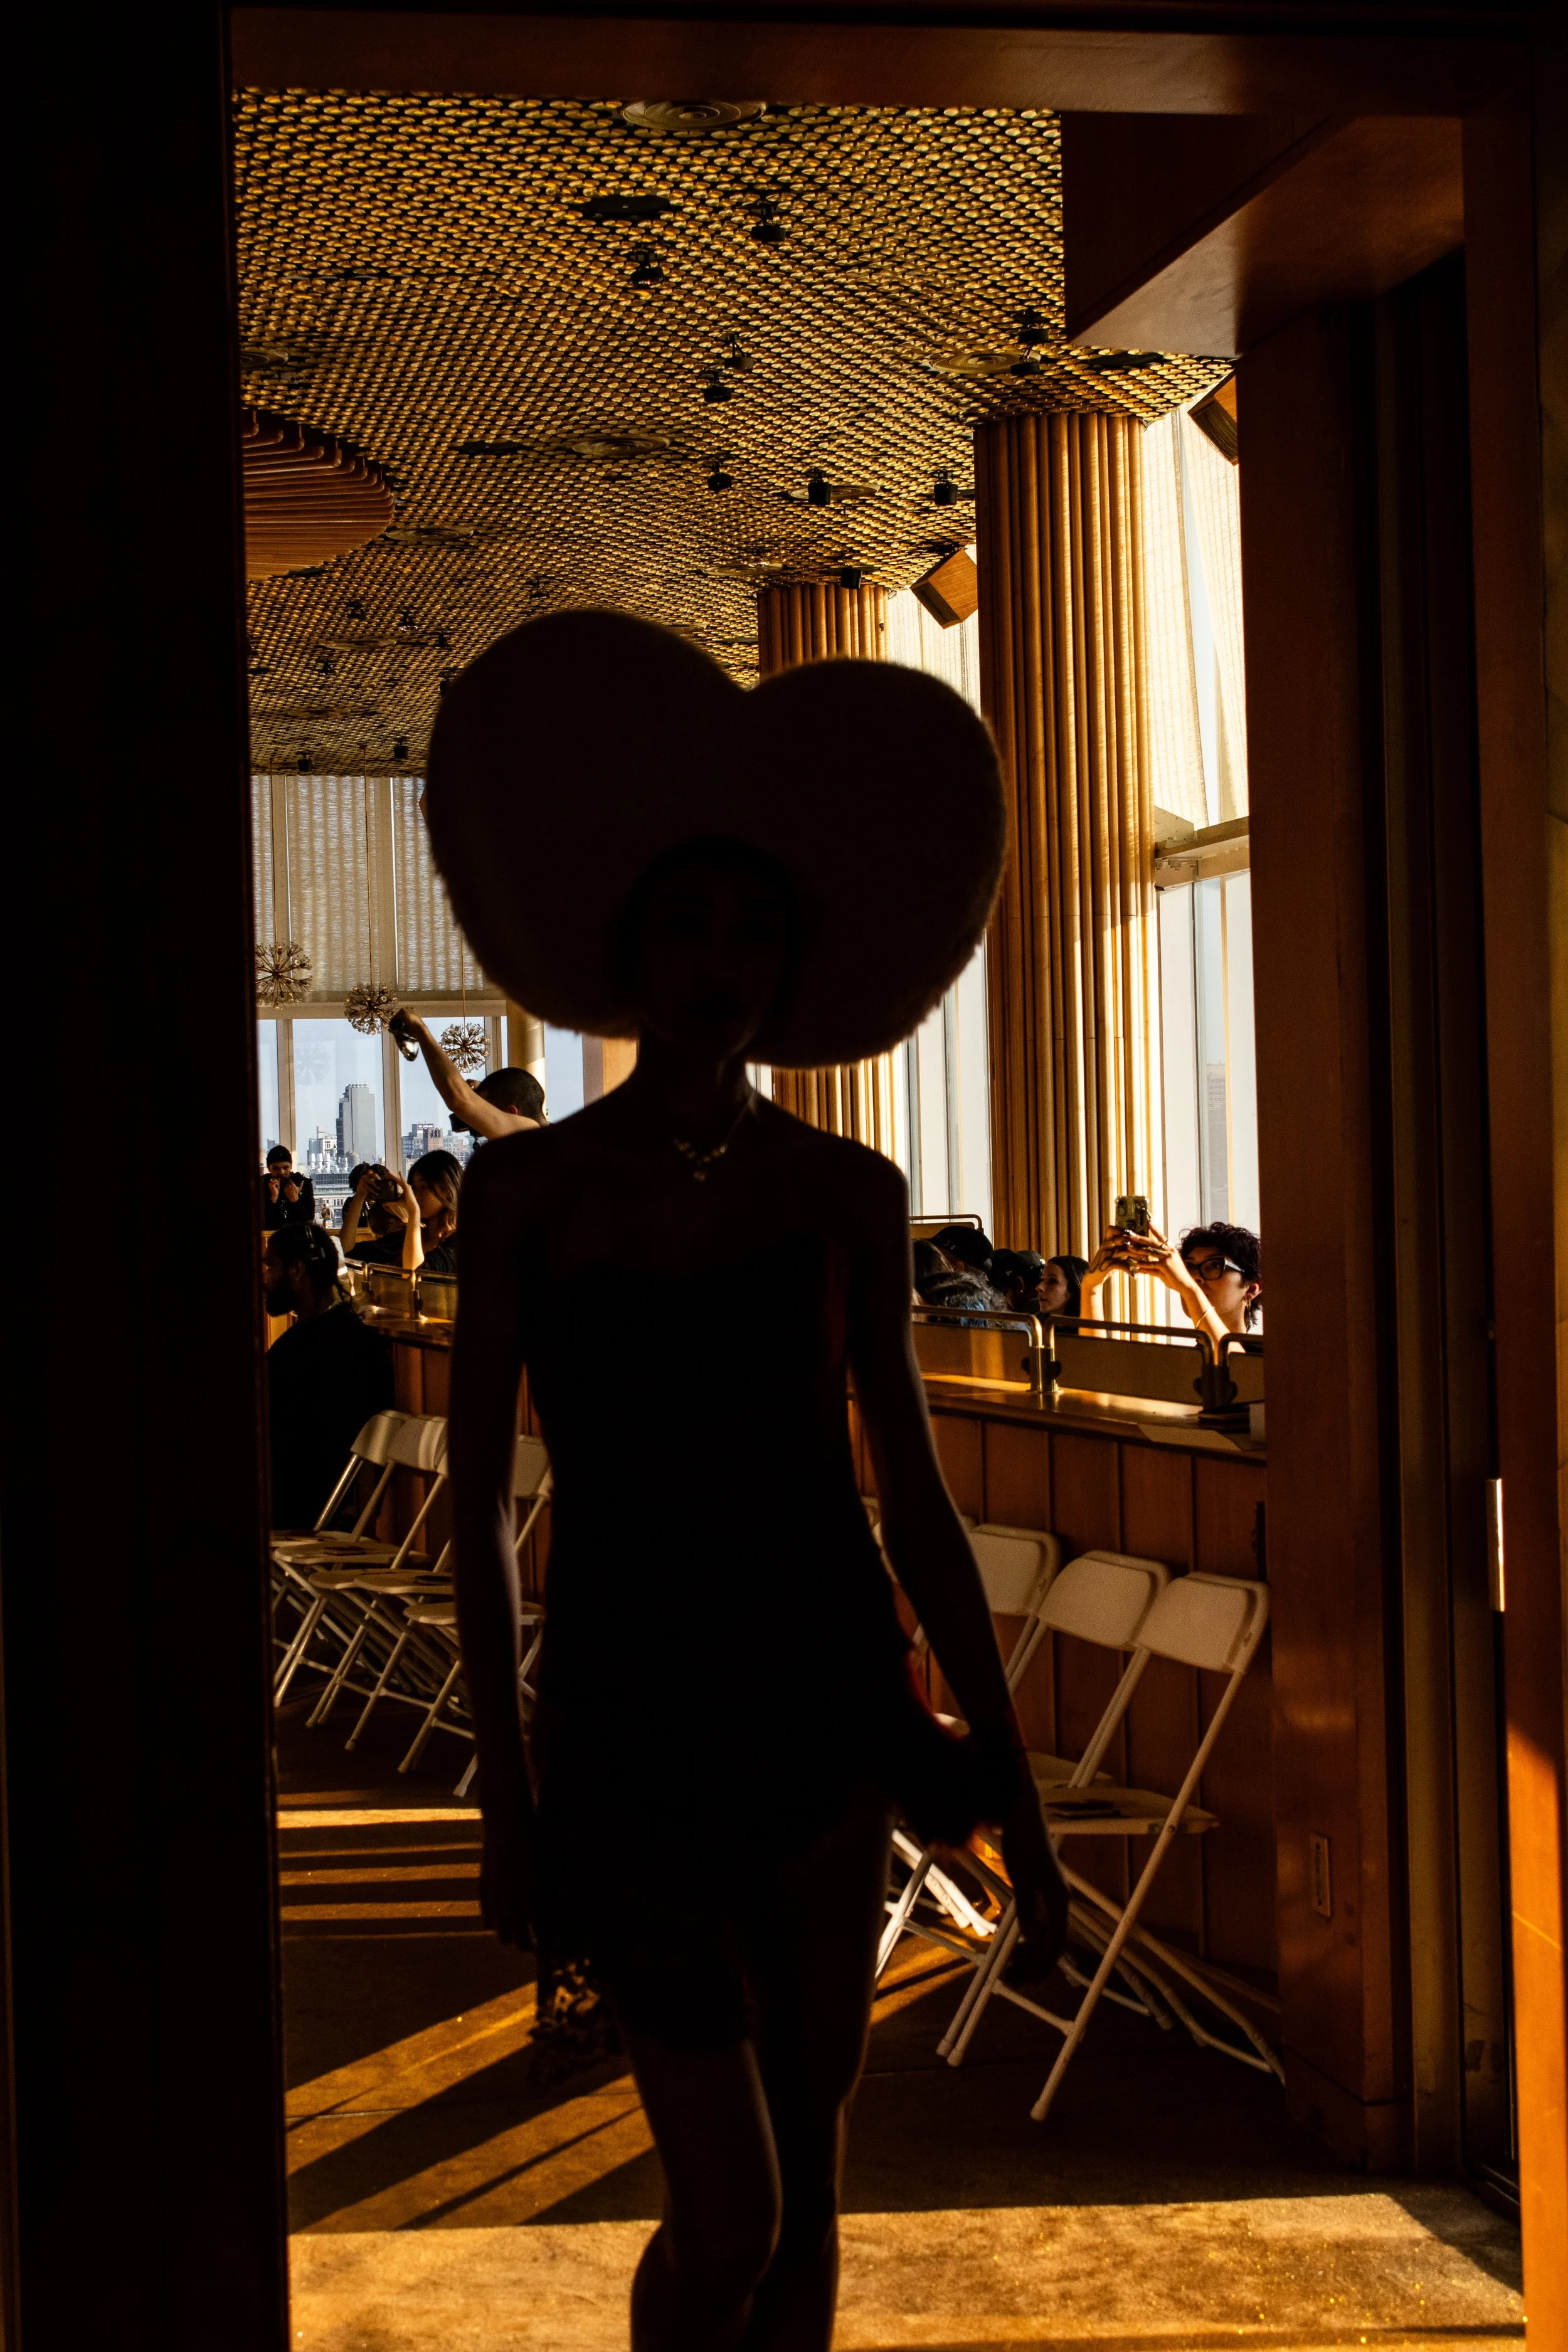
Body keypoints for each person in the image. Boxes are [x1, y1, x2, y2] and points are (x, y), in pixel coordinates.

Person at [432, 612, 1067, 2352]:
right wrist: (503, 1790)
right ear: (626, 947)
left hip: (826, 1699)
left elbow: (910, 1498)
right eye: (690, 922)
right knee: (733, 2201)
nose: (722, 957)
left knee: (811, 2207)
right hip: (627, 1712)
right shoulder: (534, 1193)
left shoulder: (847, 1186)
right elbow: (486, 1505)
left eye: (755, 928)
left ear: (797, 967)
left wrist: (999, 1770)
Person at [263, 1222, 393, 1530]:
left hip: (309, 1514)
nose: (264, 1278)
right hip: (303, 1503)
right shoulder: (334, 1336)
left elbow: (317, 1450)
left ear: (297, 1270)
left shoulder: (342, 1347)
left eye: (270, 1265)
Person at [1081, 1216, 1261, 1347]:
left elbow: (1234, 1364)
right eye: (1189, 1267)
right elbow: (1096, 1371)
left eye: (1214, 1266)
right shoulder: (1181, 1360)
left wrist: (1189, 1289)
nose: (1195, 1277)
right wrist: (1091, 1288)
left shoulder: (1267, 1361)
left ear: (1252, 1289)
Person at [391, 1009, 546, 1140]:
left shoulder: (530, 1133)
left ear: (512, 1113)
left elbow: (459, 1101)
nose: (479, 1121)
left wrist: (421, 1029)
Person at [262, 1143, 315, 1230]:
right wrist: (273, 1198)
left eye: (286, 1168)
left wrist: (295, 1200)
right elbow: (262, 1224)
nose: (281, 1172)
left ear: (291, 1166)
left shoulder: (302, 1183)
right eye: (276, 1169)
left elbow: (308, 1222)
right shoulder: (262, 1185)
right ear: (269, 1168)